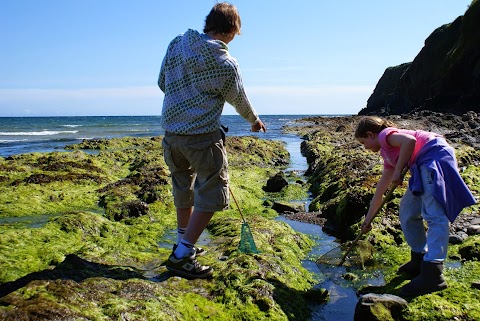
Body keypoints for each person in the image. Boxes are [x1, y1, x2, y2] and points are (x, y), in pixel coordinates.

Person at [158, 2, 266, 279]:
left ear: (208, 23)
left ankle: (184, 241)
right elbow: (238, 98)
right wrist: (253, 120)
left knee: (183, 187)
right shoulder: (225, 63)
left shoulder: (176, 44)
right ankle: (182, 255)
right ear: (233, 29)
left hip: (171, 134)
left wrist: (184, 96)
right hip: (203, 137)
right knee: (211, 193)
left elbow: (162, 82)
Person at [355, 116, 476, 296]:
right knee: (407, 211)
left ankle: (433, 273)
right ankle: (419, 257)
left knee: (435, 215)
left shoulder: (385, 135)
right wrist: (368, 220)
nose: (365, 147)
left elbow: (410, 141)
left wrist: (398, 172)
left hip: (433, 156)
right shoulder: (387, 154)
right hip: (420, 166)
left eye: (363, 142)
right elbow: (380, 191)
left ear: (371, 134)